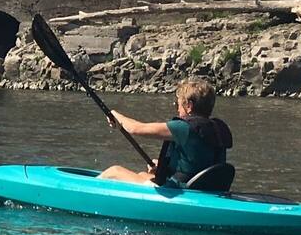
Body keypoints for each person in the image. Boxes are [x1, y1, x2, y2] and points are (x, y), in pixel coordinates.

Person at [97, 78, 233, 187]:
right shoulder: (217, 128)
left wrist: (115, 115)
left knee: (114, 171)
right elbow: (197, 163)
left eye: (178, 104)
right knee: (143, 175)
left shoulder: (182, 127)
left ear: (189, 106)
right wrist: (164, 168)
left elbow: (136, 129)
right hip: (204, 188)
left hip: (181, 192)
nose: (177, 109)